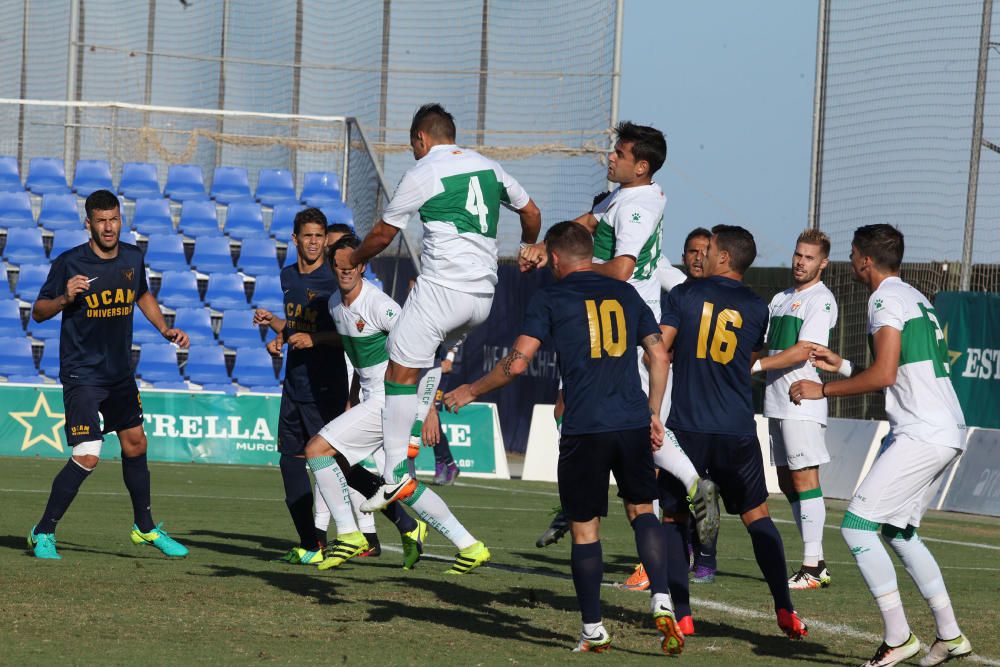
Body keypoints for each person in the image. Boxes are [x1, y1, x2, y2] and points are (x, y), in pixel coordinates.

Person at [445, 221, 684, 655]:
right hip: (632, 420)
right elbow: (659, 354)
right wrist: (653, 413)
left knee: (584, 529)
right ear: (589, 252)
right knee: (642, 511)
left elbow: (517, 364)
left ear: (554, 258)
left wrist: (471, 389)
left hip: (585, 427)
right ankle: (662, 599)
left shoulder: (551, 296)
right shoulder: (627, 293)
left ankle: (593, 629)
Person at [790, 224, 972, 667]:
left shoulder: (883, 299)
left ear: (865, 260)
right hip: (945, 429)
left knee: (855, 526)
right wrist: (845, 365)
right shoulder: (913, 297)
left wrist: (823, 389)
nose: (852, 262)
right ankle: (949, 635)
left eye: (853, 255)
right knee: (898, 531)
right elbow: (904, 373)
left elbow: (885, 376)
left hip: (922, 433)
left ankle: (898, 638)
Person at [346, 103, 541, 510]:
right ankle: (419, 432)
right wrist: (527, 247)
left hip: (442, 290)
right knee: (428, 357)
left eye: (412, 144)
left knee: (396, 367)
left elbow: (383, 234)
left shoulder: (424, 171)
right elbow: (532, 211)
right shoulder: (490, 167)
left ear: (422, 138)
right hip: (482, 298)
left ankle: (396, 471)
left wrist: (355, 257)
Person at [659, 224, 808, 639]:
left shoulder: (685, 294)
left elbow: (662, 348)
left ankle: (683, 613)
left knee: (673, 517)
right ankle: (784, 608)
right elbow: (746, 360)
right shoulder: (759, 307)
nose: (700, 256)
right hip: (736, 427)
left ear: (723, 257)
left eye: (709, 250)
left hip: (687, 427)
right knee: (757, 515)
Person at [305, 236, 488, 574]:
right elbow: (361, 364)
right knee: (393, 479)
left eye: (351, 267)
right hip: (371, 401)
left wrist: (427, 409)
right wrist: (351, 402)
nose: (345, 273)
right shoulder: (334, 304)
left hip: (389, 402)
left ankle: (349, 534)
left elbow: (427, 354)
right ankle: (468, 545)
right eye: (339, 267)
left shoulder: (380, 306)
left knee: (317, 451)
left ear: (361, 266)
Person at [27, 189, 189, 559]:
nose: (109, 227)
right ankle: (43, 531)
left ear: (121, 219)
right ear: (89, 224)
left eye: (114, 219)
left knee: (136, 444)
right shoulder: (70, 263)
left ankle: (144, 528)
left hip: (119, 374)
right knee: (88, 453)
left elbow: (142, 294)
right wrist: (65, 299)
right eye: (101, 221)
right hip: (83, 374)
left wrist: (164, 328)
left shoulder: (133, 257)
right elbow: (38, 312)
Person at [252, 208, 349, 564]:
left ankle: (403, 522)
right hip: (294, 383)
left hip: (325, 385)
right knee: (290, 462)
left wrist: (315, 339)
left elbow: (349, 336)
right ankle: (311, 544)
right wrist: (279, 331)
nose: (313, 242)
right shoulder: (288, 275)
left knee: (341, 464)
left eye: (319, 236)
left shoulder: (335, 280)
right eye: (307, 236)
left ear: (326, 240)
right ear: (295, 239)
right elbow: (296, 327)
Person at [751, 229, 838, 590]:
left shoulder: (823, 300)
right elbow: (769, 348)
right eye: (798, 255)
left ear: (823, 263)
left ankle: (812, 568)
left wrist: (755, 368)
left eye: (809, 257)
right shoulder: (780, 298)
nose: (800, 262)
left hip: (803, 401)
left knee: (805, 479)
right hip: (776, 402)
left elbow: (805, 350)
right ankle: (815, 560)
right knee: (788, 482)